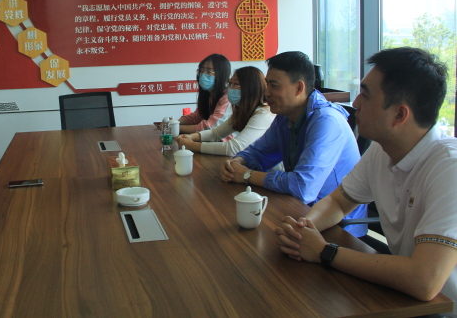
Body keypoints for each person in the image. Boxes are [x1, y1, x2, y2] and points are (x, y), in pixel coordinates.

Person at [275, 47, 457, 306]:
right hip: (402, 298)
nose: (356, 104)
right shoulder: (383, 150)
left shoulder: (449, 167)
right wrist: (304, 230)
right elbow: (338, 202)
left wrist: (324, 251)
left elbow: (424, 281)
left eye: (365, 95)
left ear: (399, 114)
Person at [220, 51, 367, 237]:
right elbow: (259, 152)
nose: (266, 92)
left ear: (298, 88)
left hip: (338, 228)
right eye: (267, 84)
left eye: (274, 85)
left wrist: (247, 175)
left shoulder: (326, 122)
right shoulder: (285, 116)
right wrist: (237, 162)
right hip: (299, 212)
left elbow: (302, 187)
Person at [176, 66, 275, 156]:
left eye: (235, 84)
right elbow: (216, 133)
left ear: (250, 88)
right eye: (230, 83)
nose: (230, 88)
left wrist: (192, 145)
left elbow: (234, 148)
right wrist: (191, 137)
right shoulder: (242, 110)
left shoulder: (264, 113)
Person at [178, 54, 231, 134]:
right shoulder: (208, 95)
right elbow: (197, 116)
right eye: (202, 70)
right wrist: (175, 122)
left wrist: (176, 128)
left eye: (209, 71)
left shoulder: (227, 97)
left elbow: (210, 127)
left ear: (221, 74)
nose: (203, 74)